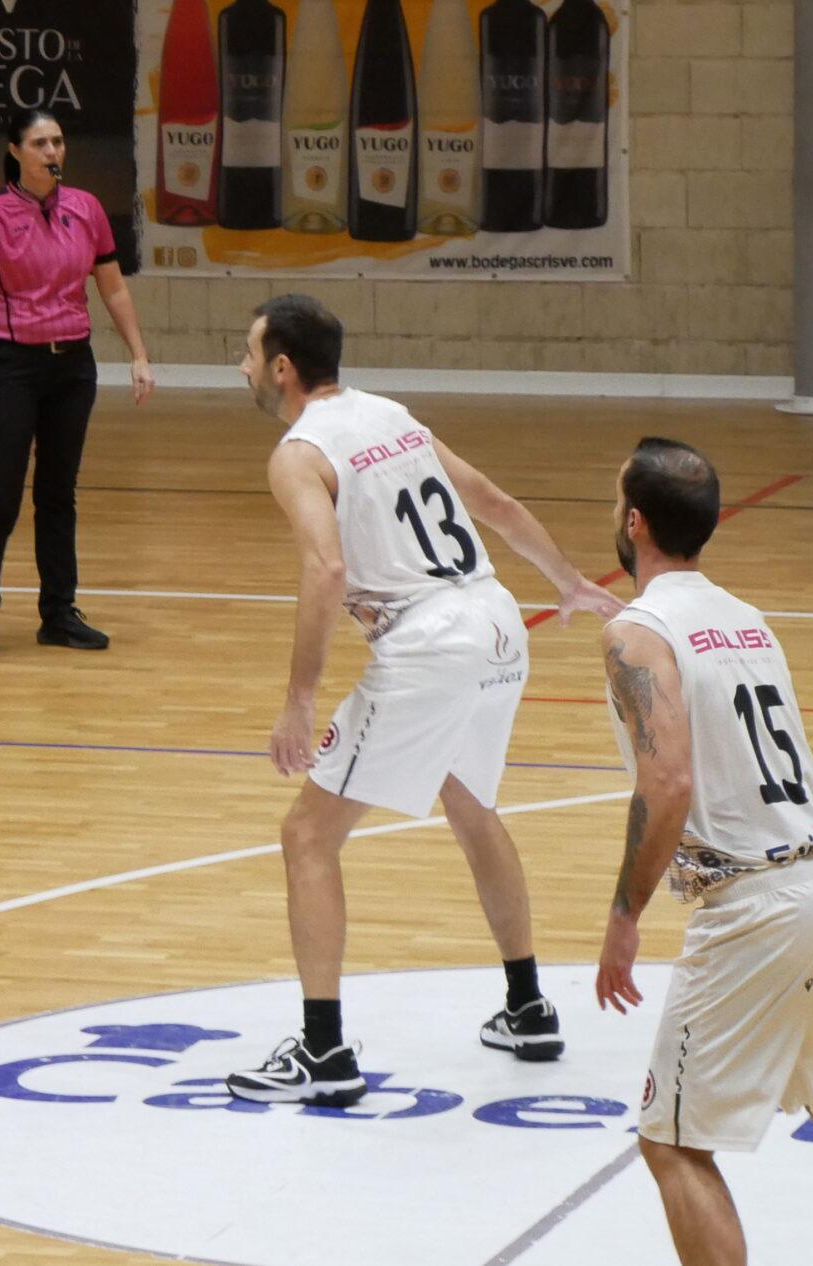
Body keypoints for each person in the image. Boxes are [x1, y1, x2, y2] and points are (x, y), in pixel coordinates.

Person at [224, 293, 623, 1106]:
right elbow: (494, 504)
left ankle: (324, 1051)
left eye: (249, 353)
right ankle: (528, 1007)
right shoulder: (391, 415)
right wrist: (567, 581)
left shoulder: (299, 453)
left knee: (307, 836)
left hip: (430, 643)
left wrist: (300, 700)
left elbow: (326, 571)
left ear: (282, 368)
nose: (242, 367)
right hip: (497, 621)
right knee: (471, 806)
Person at [593, 438, 813, 1263]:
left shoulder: (635, 632)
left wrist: (624, 916)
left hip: (757, 908)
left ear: (636, 522)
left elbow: (668, 784)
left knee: (672, 1144)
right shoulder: (747, 620)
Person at [0, 107, 154, 660]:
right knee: (0, 495)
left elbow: (113, 288)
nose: (52, 152)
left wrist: (138, 355)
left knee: (58, 494)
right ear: (15, 152)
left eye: (58, 142)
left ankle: (59, 613)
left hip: (72, 368)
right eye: (40, 143)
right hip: (9, 367)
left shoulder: (87, 209)